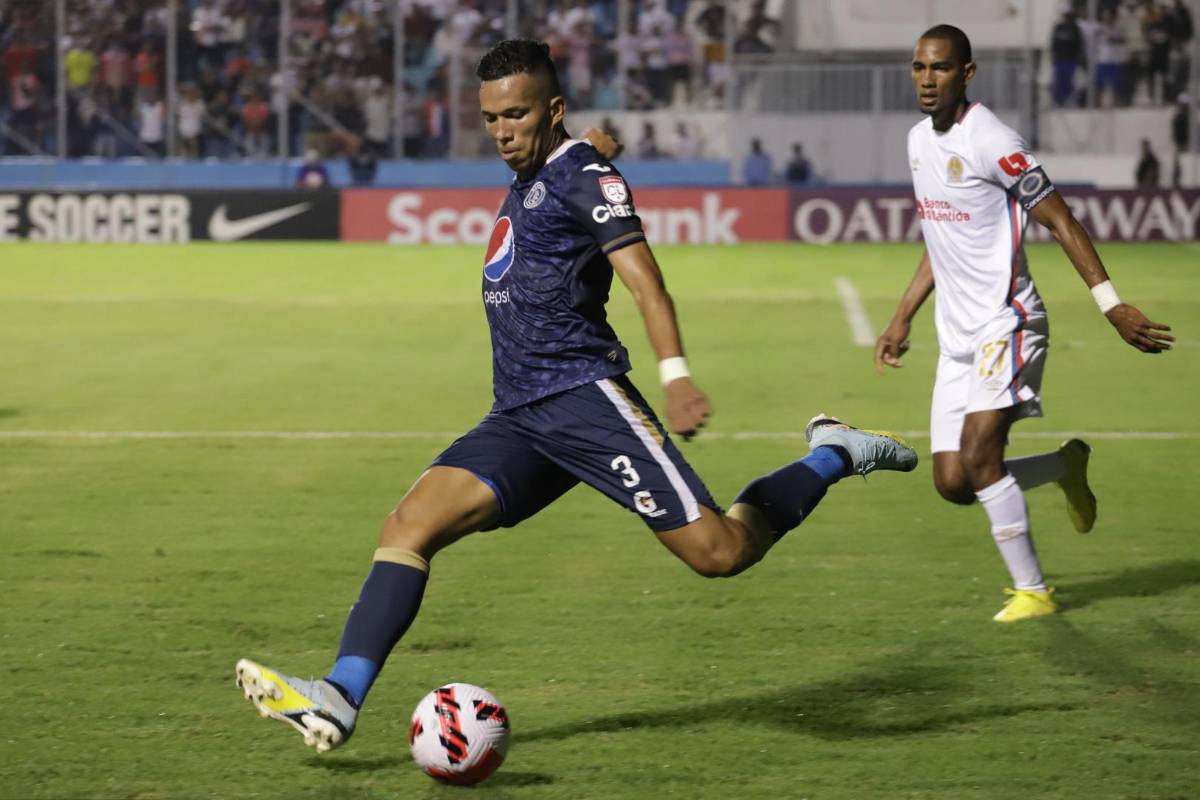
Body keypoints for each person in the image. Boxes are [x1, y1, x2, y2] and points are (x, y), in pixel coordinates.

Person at [234, 38, 917, 753]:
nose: (502, 132)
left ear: (552, 109)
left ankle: (833, 453)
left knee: (719, 552)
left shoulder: (584, 175)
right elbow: (576, 156)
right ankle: (339, 695)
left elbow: (644, 279)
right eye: (491, 118)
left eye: (517, 115)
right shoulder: (549, 167)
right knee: (408, 526)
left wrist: (676, 375)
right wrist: (591, 144)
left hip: (585, 399)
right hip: (519, 413)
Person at [876, 25, 1173, 623]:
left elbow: (1061, 220)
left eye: (940, 68)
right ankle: (1063, 466)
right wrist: (902, 316)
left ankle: (1033, 592)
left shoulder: (993, 140)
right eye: (919, 68)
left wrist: (1111, 303)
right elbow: (941, 239)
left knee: (980, 456)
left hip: (1008, 322)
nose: (927, 80)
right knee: (954, 481)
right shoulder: (917, 141)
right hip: (957, 339)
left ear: (966, 73)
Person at [1050, 4, 1085, 106]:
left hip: (1071, 59)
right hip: (1060, 59)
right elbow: (1054, 44)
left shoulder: (1075, 28)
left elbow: (1080, 44)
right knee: (1060, 80)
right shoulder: (1058, 27)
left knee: (1070, 80)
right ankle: (1059, 100)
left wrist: (1078, 57)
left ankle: (1068, 99)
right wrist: (1054, 57)